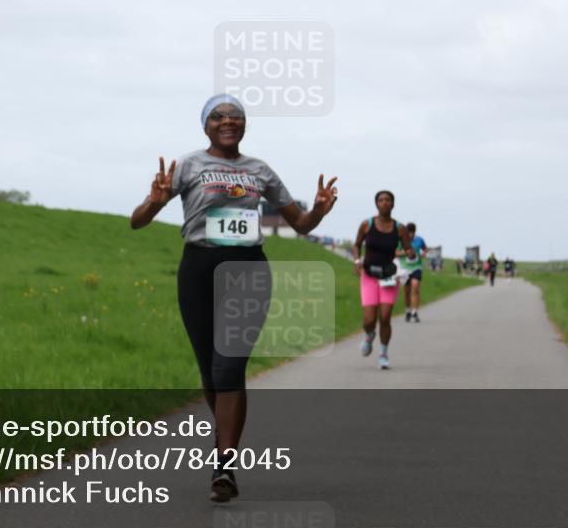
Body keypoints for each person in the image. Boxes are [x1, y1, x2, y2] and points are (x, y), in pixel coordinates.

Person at [130, 94, 337, 502]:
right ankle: (226, 436)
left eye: (236, 117)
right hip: (198, 269)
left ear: (245, 125)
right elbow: (137, 222)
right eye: (219, 117)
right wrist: (154, 203)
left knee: (229, 368)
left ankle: (224, 465)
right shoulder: (188, 165)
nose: (228, 122)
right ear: (205, 125)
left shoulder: (260, 170)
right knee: (211, 372)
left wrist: (318, 212)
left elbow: (299, 224)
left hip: (247, 271)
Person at [352, 191, 412, 370]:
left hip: (389, 276)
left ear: (393, 204)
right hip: (369, 275)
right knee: (369, 319)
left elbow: (408, 249)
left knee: (385, 317)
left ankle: (384, 354)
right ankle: (369, 335)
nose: (384, 203)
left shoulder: (400, 228)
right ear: (376, 204)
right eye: (381, 200)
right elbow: (356, 245)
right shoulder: (366, 224)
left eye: (388, 200)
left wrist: (411, 253)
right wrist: (357, 261)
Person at [399, 222, 427, 322]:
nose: (410, 235)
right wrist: (404, 252)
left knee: (415, 287)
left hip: (417, 267)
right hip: (405, 269)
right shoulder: (401, 240)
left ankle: (414, 312)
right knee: (406, 291)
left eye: (412, 233)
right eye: (408, 233)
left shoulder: (419, 240)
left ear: (415, 232)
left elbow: (425, 249)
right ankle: (407, 311)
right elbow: (395, 253)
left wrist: (424, 253)